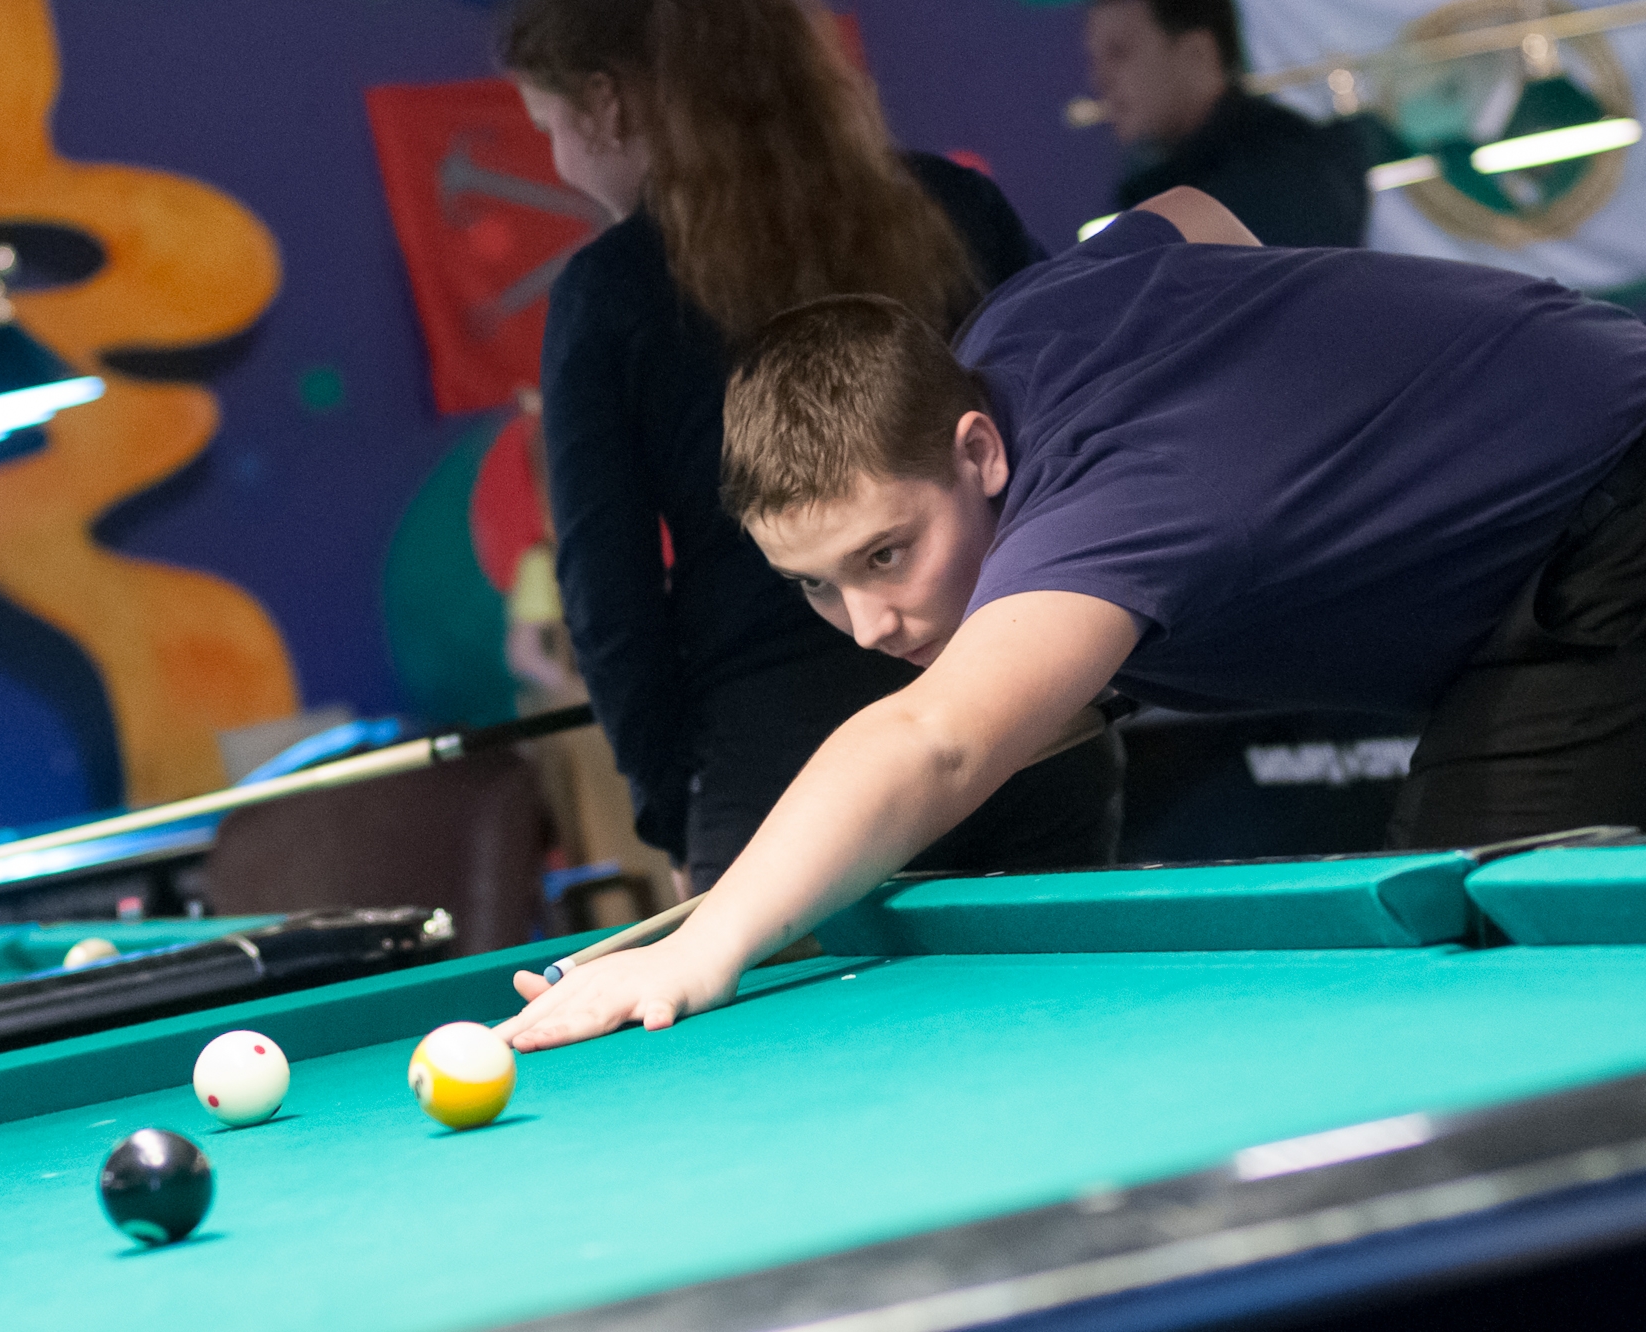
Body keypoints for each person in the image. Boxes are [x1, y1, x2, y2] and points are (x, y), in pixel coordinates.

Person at [495, 185, 1646, 1052]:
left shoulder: (1109, 508)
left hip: (1614, 504)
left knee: (1477, 952)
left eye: (887, 553)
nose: (869, 622)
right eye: (815, 582)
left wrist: (702, 946)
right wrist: (1298, 395)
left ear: (978, 454)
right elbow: (1189, 215)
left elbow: (935, 738)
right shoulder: (1014, 331)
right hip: (1565, 488)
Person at [502, 0, 1122, 901]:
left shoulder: (607, 293)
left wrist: (672, 808)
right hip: (1026, 718)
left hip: (789, 788)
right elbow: (1078, 441)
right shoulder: (956, 203)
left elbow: (607, 598)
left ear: (606, 104)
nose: (557, 159)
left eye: (547, 125)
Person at [1086, 0, 1368, 248]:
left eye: (1119, 52)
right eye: (1096, 60)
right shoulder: (1164, 181)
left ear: (1197, 53)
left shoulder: (1284, 173)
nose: (1101, 79)